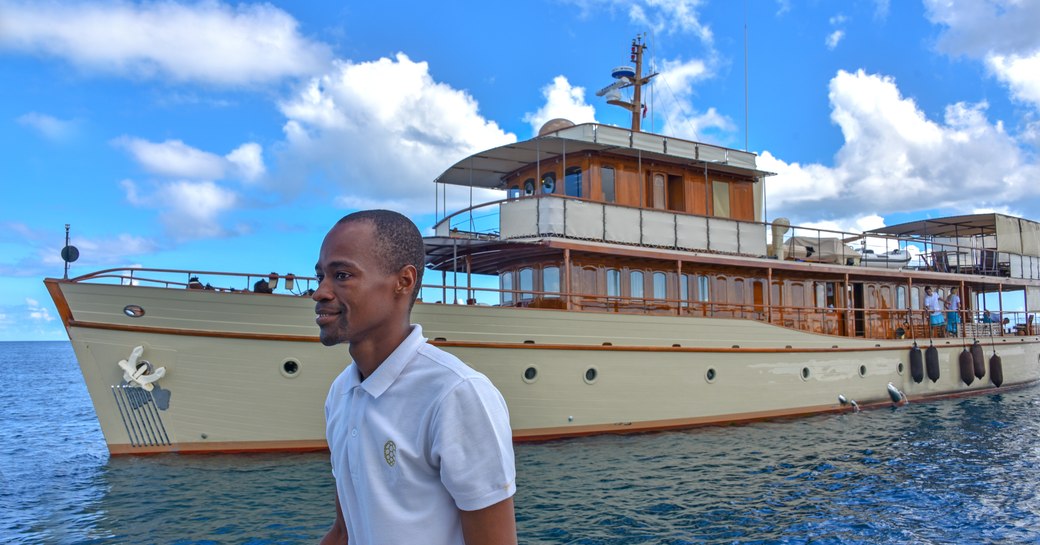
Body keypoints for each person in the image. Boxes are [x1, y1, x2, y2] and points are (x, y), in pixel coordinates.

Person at [313, 209, 517, 545]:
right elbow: (344, 532)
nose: (320, 291)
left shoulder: (456, 394)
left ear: (403, 282)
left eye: (343, 275)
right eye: (320, 275)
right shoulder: (341, 393)